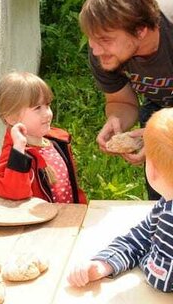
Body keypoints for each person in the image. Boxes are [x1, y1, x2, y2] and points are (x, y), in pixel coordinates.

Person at [80, 0, 173, 200]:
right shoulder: (102, 52)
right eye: (92, 38)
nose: (96, 50)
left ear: (140, 30)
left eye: (105, 40)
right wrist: (117, 120)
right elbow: (120, 100)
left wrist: (160, 133)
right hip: (160, 109)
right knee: (164, 197)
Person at [67, 108, 173, 293]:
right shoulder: (166, 204)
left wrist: (144, 256)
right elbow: (142, 235)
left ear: (153, 170)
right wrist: (104, 263)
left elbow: (161, 279)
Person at [0, 71, 86, 204]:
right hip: (39, 223)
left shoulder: (57, 143)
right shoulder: (15, 155)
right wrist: (19, 150)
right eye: (37, 108)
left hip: (66, 219)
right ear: (12, 117)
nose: (47, 113)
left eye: (48, 105)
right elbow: (14, 192)